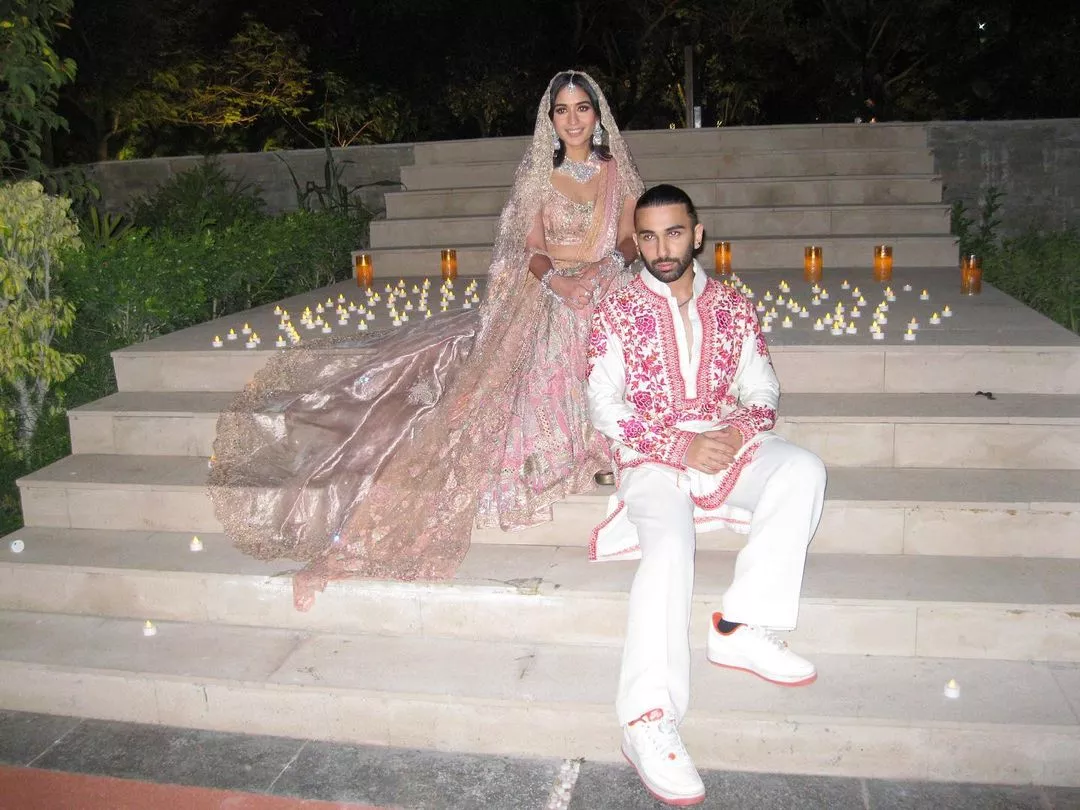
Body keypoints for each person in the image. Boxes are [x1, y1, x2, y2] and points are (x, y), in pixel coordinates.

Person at [208, 71, 643, 608]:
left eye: (582, 108)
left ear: (598, 115)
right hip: (549, 289)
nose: (573, 120)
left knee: (614, 328)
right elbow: (529, 247)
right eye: (562, 110)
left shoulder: (616, 171)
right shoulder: (538, 174)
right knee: (550, 337)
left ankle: (600, 437)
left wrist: (604, 268)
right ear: (549, 120)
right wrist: (559, 282)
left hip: (605, 280)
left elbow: (630, 236)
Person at [586, 184, 826, 807]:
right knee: (669, 550)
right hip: (652, 458)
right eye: (648, 237)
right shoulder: (617, 310)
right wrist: (677, 447)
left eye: (673, 233)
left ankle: (741, 626)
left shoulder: (734, 306)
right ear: (637, 242)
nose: (661, 249)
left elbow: (762, 388)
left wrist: (733, 434)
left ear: (697, 234)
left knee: (802, 469)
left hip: (723, 443)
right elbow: (603, 404)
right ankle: (647, 719)